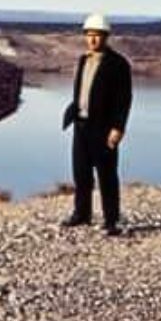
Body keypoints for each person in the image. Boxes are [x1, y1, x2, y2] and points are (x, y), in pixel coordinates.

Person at [61, 13, 132, 235]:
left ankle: (111, 220)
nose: (92, 40)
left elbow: (124, 98)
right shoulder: (84, 60)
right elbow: (81, 91)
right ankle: (82, 214)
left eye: (97, 35)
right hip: (81, 125)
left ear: (106, 37)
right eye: (89, 35)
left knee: (107, 175)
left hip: (103, 128)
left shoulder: (118, 64)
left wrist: (118, 128)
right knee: (81, 173)